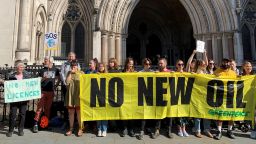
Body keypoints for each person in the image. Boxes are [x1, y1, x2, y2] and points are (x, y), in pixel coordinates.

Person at [32, 56, 60, 133]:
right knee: (39, 108)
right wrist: (43, 78)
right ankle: (35, 124)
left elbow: (59, 78)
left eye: (46, 60)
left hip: (51, 91)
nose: (44, 61)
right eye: (44, 60)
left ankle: (45, 124)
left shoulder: (55, 69)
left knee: (48, 109)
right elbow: (37, 80)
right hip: (42, 91)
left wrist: (56, 85)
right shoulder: (42, 70)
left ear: (51, 62)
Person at [213, 58, 237, 140]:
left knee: (231, 114)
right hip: (220, 96)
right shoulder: (216, 72)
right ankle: (219, 131)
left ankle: (229, 130)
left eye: (227, 62)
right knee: (221, 114)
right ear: (221, 63)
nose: (225, 64)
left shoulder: (233, 73)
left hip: (231, 96)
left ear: (229, 63)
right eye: (224, 62)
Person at [6, 60, 31, 137]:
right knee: (13, 114)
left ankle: (20, 130)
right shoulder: (11, 76)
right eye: (19, 67)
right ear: (16, 68)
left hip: (23, 99)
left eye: (22, 67)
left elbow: (29, 87)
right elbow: (8, 86)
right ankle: (11, 130)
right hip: (14, 99)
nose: (21, 68)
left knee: (22, 114)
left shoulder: (26, 76)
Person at [151, 58, 173, 139]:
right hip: (159, 97)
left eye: (161, 63)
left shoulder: (170, 72)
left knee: (169, 114)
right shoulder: (156, 72)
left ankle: (169, 130)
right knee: (158, 114)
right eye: (159, 63)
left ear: (165, 64)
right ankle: (157, 130)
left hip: (168, 97)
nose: (160, 65)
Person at [193, 59, 213, 138]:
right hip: (198, 94)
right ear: (199, 65)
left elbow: (207, 63)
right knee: (198, 113)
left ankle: (206, 130)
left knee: (206, 113)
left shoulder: (206, 72)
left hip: (206, 94)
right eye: (202, 64)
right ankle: (197, 130)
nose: (204, 65)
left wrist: (205, 53)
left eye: (204, 64)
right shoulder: (196, 71)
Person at [60, 52, 80, 129]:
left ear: (74, 57)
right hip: (66, 86)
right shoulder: (64, 64)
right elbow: (62, 74)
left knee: (76, 105)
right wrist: (65, 83)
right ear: (67, 57)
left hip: (75, 88)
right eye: (69, 56)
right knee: (67, 105)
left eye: (72, 56)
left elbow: (79, 73)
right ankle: (66, 121)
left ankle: (75, 122)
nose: (71, 57)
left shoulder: (77, 64)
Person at [65, 60, 84, 136]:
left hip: (78, 95)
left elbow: (85, 84)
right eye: (72, 66)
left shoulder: (81, 73)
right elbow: (67, 82)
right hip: (70, 94)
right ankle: (71, 128)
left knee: (79, 112)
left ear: (77, 66)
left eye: (75, 65)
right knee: (71, 112)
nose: (73, 67)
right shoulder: (69, 73)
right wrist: (70, 73)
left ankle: (80, 128)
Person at [137, 58, 154, 140]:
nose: (148, 66)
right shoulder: (140, 73)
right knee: (144, 113)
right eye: (146, 64)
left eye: (149, 64)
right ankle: (142, 130)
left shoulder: (153, 72)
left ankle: (148, 128)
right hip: (142, 95)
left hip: (150, 95)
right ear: (143, 64)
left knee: (150, 112)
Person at [120, 57, 136, 137]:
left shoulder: (135, 72)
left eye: (132, 64)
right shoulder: (122, 72)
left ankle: (131, 129)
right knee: (124, 112)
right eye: (130, 64)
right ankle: (124, 128)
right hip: (124, 94)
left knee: (131, 113)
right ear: (127, 64)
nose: (131, 65)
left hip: (132, 95)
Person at [240, 61, 256, 139]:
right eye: (247, 66)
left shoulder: (254, 76)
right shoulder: (240, 76)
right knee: (247, 114)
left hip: (254, 98)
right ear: (243, 67)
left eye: (250, 66)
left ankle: (254, 130)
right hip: (244, 99)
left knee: (254, 115)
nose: (249, 67)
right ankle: (247, 126)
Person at [174, 60, 189, 137]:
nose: (181, 66)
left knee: (184, 113)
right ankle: (179, 129)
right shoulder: (173, 73)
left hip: (184, 96)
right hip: (176, 96)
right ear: (176, 65)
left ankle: (184, 129)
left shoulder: (186, 73)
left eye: (182, 64)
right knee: (178, 114)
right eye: (179, 64)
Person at [97, 63, 108, 137]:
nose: (101, 68)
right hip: (97, 96)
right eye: (100, 66)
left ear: (104, 67)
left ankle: (104, 129)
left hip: (105, 96)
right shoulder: (95, 74)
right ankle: (99, 129)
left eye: (102, 66)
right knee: (98, 114)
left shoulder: (107, 75)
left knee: (104, 114)